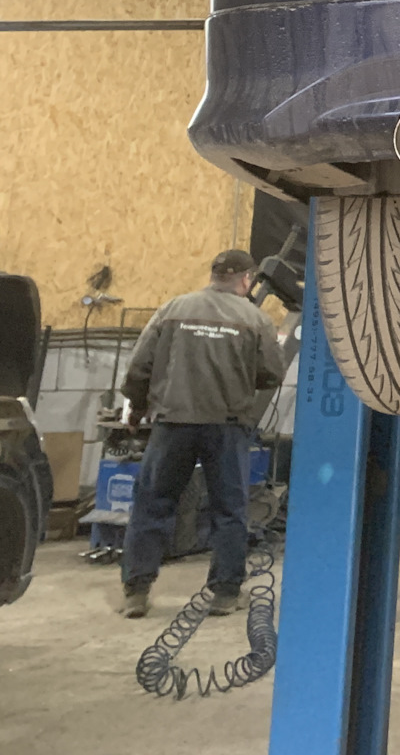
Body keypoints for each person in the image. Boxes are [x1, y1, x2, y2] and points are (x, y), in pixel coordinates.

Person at [120, 248, 286, 618]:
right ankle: (225, 594)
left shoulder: (173, 309)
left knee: (152, 504)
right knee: (229, 510)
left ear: (214, 276)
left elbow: (139, 366)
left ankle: (136, 591)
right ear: (247, 279)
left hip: (173, 422)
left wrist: (137, 406)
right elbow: (271, 374)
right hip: (226, 427)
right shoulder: (255, 319)